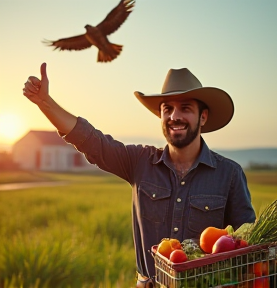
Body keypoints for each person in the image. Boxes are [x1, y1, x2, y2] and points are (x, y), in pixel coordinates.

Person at [23, 63, 256, 288]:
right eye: (167, 109)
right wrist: (45, 103)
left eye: (185, 108)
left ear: (203, 117)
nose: (175, 116)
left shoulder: (230, 174)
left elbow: (249, 243)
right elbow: (91, 141)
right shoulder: (139, 162)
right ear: (161, 116)